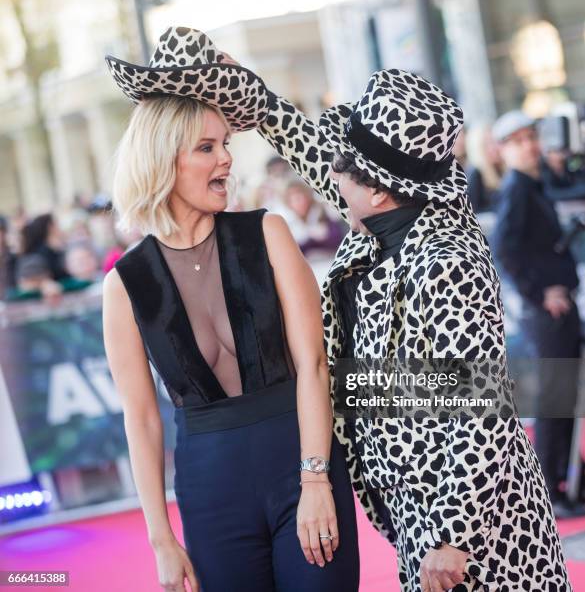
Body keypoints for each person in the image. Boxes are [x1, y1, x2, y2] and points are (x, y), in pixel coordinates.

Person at [209, 35, 573, 589]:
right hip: (416, 513)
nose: (329, 176)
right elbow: (317, 152)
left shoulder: (444, 262)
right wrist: (256, 98)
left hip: (481, 536)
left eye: (343, 169)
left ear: (379, 192)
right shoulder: (400, 214)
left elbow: (481, 414)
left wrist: (452, 537)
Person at [102, 27, 359, 592]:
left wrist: (316, 478)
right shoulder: (125, 283)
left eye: (226, 145)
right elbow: (141, 419)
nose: (226, 160)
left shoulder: (268, 233)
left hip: (303, 471)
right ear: (164, 159)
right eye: (207, 148)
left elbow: (312, 366)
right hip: (210, 496)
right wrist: (161, 540)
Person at [492, 110, 584, 519]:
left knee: (565, 398)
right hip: (544, 312)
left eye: (532, 136)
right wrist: (539, 293)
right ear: (503, 150)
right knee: (555, 399)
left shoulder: (536, 181)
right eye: (518, 140)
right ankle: (551, 487)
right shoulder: (516, 188)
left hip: (559, 305)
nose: (529, 145)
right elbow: (506, 252)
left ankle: (567, 480)